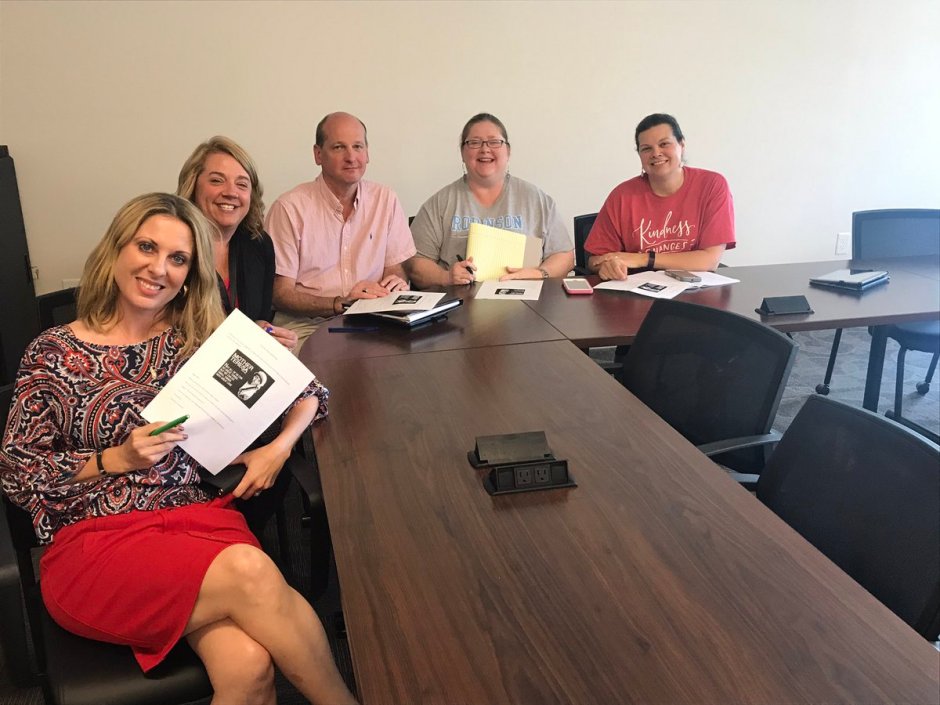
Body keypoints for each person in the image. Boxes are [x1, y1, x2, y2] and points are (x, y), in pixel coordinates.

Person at [0, 193, 356, 705]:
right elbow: (17, 474)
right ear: (116, 250)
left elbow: (311, 394)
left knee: (249, 665)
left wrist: (277, 449)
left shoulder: (199, 341)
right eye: (146, 247)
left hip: (198, 522)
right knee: (250, 569)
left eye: (178, 258)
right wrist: (113, 459)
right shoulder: (53, 351)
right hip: (97, 541)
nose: (158, 268)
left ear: (189, 275)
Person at [265, 112, 416, 350]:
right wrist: (341, 303)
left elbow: (394, 268)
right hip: (307, 327)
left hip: (373, 322)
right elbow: (280, 294)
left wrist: (394, 283)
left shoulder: (385, 199)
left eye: (358, 147)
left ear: (367, 153)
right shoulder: (289, 208)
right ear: (318, 155)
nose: (351, 157)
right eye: (338, 147)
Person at [407, 112, 574, 287]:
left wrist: (540, 273)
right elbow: (416, 264)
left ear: (508, 151)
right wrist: (446, 277)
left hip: (526, 298)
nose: (485, 149)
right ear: (462, 153)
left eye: (494, 142)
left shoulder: (536, 200)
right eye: (474, 142)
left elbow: (564, 256)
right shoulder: (439, 204)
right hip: (459, 300)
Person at [177, 135, 297, 350]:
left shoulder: (259, 244)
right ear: (193, 185)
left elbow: (260, 318)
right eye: (217, 180)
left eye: (242, 184)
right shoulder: (172, 246)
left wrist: (265, 332)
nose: (231, 192)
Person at [584, 113, 735, 280]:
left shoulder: (712, 185)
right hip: (638, 289)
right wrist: (606, 266)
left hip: (695, 289)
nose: (656, 153)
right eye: (646, 148)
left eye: (664, 144)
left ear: (682, 145)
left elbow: (709, 261)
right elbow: (594, 261)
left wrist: (643, 259)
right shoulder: (622, 195)